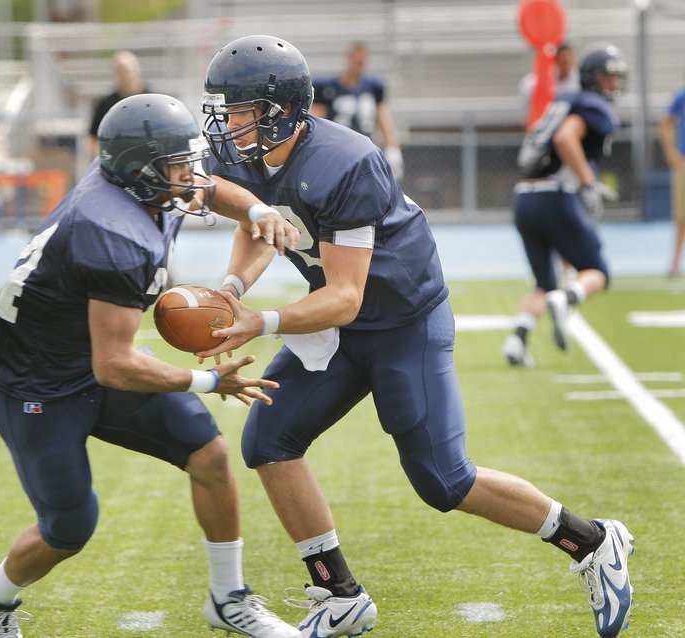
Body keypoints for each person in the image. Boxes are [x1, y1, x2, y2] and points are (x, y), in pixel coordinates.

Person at [199, 35, 635, 638]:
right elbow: (260, 218)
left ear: (282, 111)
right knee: (269, 441)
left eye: (241, 108)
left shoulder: (343, 162)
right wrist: (232, 287)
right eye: (225, 107)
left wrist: (261, 321)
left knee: (444, 480)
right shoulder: (248, 153)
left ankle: (592, 541)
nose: (229, 122)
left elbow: (346, 296)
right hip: (340, 317)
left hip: (401, 320)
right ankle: (339, 594)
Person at [0, 93, 303, 638]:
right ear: (139, 173)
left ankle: (229, 598)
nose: (191, 176)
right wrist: (208, 381)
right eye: (177, 166)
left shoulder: (142, 190)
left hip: (89, 359)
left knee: (210, 457)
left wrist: (258, 210)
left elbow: (213, 189)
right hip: (40, 388)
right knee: (69, 528)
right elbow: (115, 365)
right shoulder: (111, 232)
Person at [503, 42, 627, 369]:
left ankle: (517, 339)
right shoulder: (592, 106)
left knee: (544, 282)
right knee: (597, 273)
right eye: (607, 78)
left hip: (524, 197)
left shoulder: (562, 100)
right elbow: (565, 139)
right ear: (590, 78)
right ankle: (568, 298)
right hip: (554, 195)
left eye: (616, 78)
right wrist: (587, 183)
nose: (613, 84)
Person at [310, 41, 404, 181]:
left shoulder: (373, 87)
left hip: (365, 149)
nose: (360, 66)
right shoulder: (328, 87)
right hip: (337, 151)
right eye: (357, 62)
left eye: (363, 62)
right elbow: (316, 121)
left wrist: (392, 148)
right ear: (347, 58)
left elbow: (383, 119)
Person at [87, 50, 148, 156]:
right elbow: (94, 138)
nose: (126, 73)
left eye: (128, 69)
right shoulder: (105, 104)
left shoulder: (151, 100)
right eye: (121, 69)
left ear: (137, 68)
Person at [658, 78, 685, 277]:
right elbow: (665, 122)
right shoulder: (681, 96)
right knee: (681, 216)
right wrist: (670, 151)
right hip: (684, 162)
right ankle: (675, 263)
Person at [519, 42, 580, 116]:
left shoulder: (580, 79)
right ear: (556, 58)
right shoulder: (542, 78)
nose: (566, 59)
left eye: (569, 55)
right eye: (563, 55)